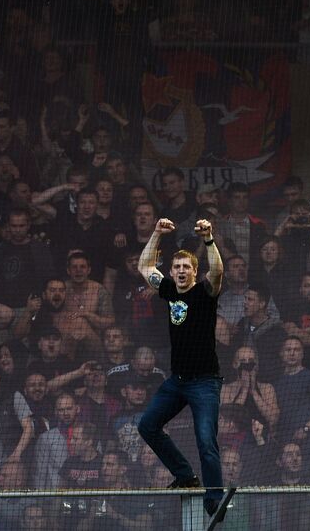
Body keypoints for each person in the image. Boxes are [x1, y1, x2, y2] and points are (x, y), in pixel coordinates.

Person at [136, 216, 228, 523]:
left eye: (186, 267)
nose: (181, 270)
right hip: (177, 382)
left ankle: (214, 499)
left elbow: (218, 271)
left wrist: (209, 239)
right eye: (176, 267)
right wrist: (156, 233)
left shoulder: (205, 293)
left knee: (206, 440)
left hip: (205, 382)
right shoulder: (169, 291)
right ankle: (185, 475)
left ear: (194, 272)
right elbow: (145, 267)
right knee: (147, 425)